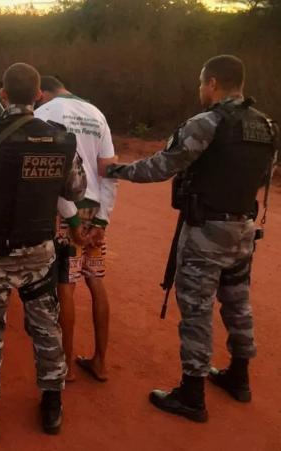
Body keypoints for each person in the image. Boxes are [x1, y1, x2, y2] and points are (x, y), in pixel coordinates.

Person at [102, 55, 278, 422]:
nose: (201, 90)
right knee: (237, 302)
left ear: (212, 83)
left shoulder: (207, 123)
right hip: (243, 229)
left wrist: (116, 171)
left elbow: (162, 166)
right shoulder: (265, 125)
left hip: (206, 230)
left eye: (202, 83)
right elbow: (263, 174)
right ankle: (239, 378)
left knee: (196, 309)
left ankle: (193, 395)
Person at [0, 63, 87, 442]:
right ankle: (52, 407)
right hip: (41, 254)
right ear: (39, 95)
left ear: (3, 94)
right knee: (46, 330)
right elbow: (76, 190)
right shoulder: (61, 139)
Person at [35, 76, 118, 382]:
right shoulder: (97, 114)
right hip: (95, 209)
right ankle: (100, 362)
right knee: (96, 280)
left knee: (65, 285)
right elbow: (110, 172)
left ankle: (66, 365)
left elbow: (50, 171)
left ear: (41, 93)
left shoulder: (44, 114)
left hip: (65, 210)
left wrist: (70, 219)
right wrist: (102, 220)